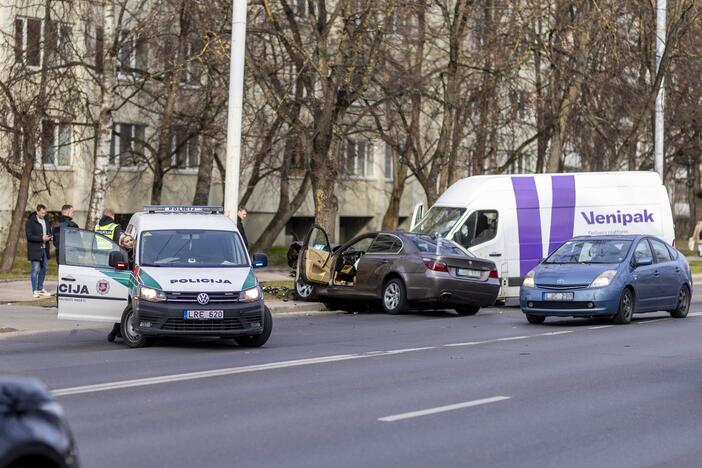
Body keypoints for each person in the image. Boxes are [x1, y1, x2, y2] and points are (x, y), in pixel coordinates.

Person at [25, 204, 52, 298]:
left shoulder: (46, 220)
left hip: (44, 248)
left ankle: (40, 288)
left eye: (45, 213)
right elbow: (29, 236)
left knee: (45, 268)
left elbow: (48, 231)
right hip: (34, 249)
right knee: (35, 270)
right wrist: (41, 238)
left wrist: (50, 237)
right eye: (42, 213)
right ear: (37, 212)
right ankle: (35, 290)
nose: (44, 214)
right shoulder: (30, 222)